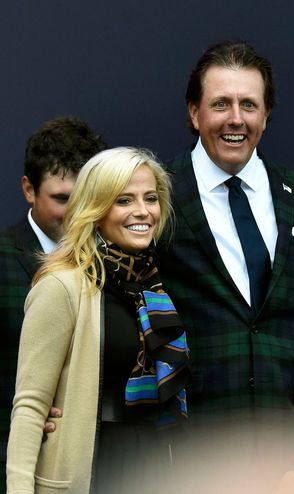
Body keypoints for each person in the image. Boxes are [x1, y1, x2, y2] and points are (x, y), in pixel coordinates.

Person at [155, 41, 294, 491]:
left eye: (249, 105)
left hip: (291, 449)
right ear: (195, 113)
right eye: (221, 104)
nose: (236, 118)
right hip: (189, 448)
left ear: (266, 115)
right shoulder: (155, 198)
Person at [6, 147, 190, 493]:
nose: (142, 211)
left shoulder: (153, 290)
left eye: (150, 198)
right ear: (97, 208)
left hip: (153, 468)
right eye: (124, 200)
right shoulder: (62, 286)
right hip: (94, 470)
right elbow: (30, 406)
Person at [0, 116, 105, 493]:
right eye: (61, 199)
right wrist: (26, 415)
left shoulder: (112, 267)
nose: (75, 214)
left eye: (84, 199)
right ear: (29, 189)